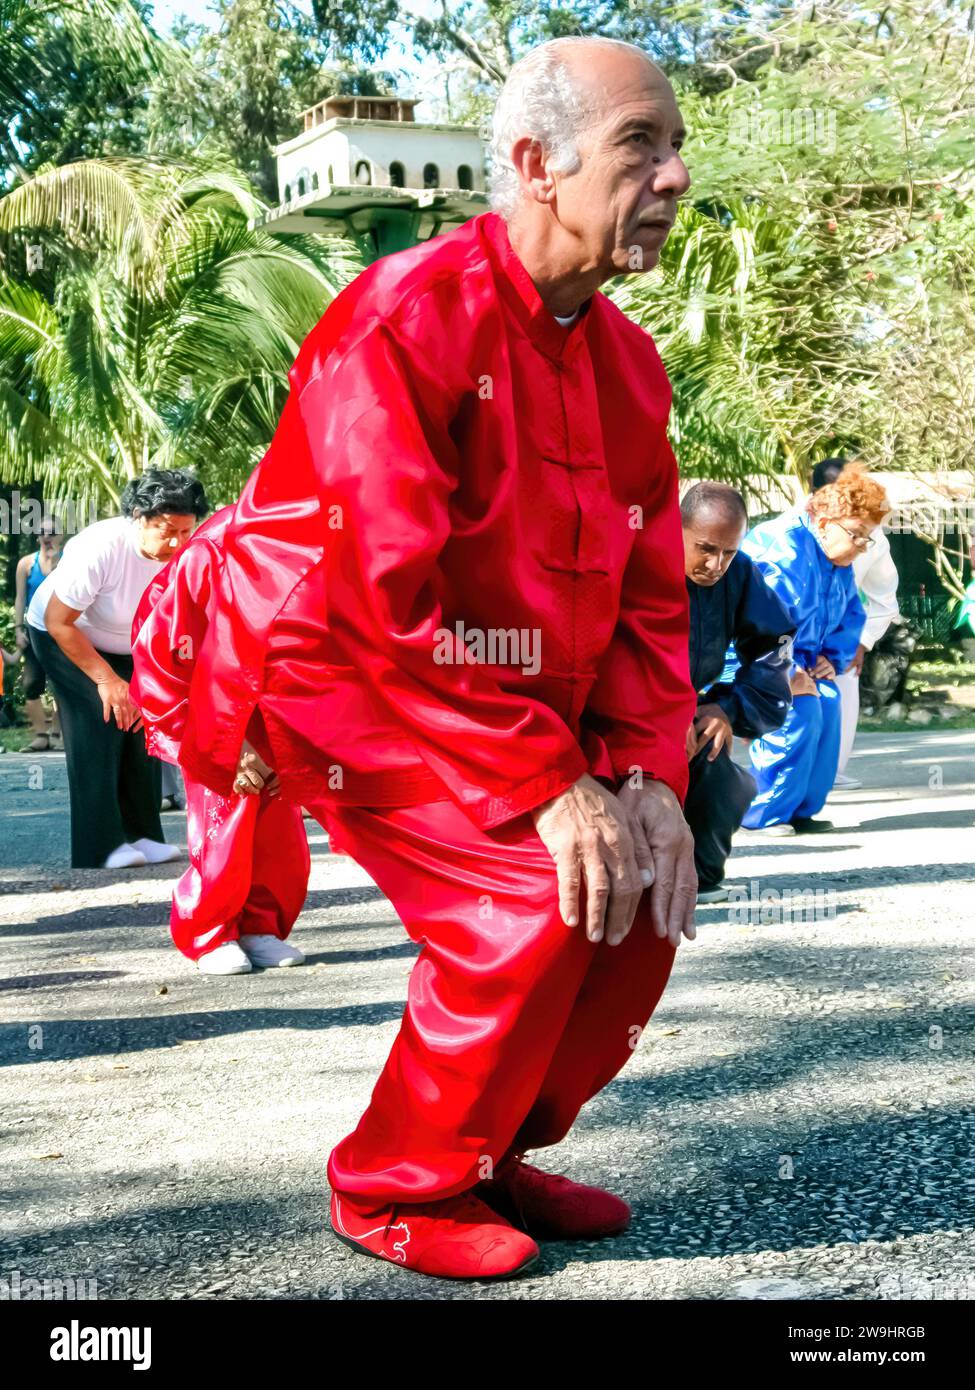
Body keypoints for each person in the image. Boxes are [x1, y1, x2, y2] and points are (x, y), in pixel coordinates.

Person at [161, 36, 698, 1280]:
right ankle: (392, 1183)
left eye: (675, 147)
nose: (674, 175)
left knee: (638, 896)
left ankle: (486, 1150)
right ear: (534, 166)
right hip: (339, 676)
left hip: (486, 692)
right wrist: (546, 785)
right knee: (529, 890)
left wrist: (646, 774)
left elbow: (651, 606)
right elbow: (377, 596)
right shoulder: (405, 318)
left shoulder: (625, 364)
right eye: (641, 146)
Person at [131, 509, 311, 975]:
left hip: (277, 701)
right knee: (224, 820)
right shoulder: (213, 551)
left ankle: (260, 926)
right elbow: (166, 658)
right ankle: (209, 931)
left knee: (278, 825)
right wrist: (220, 740)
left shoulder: (321, 547)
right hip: (209, 702)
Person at [26, 469, 209, 869]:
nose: (176, 542)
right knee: (101, 717)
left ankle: (143, 835)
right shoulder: (100, 547)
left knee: (144, 721)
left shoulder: (189, 553)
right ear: (138, 517)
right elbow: (60, 621)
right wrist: (107, 680)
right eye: (165, 530)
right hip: (64, 634)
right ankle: (101, 847)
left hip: (131, 642)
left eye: (185, 531)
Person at [740, 463, 889, 836]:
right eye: (856, 535)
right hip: (754, 658)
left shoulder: (835, 557)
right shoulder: (783, 550)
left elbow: (849, 613)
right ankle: (765, 812)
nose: (861, 546)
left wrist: (830, 658)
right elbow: (758, 622)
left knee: (827, 702)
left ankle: (801, 809)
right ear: (824, 523)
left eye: (866, 538)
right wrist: (786, 671)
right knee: (798, 708)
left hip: (799, 658)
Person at [681, 483, 796, 902]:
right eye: (705, 548)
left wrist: (727, 708)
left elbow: (774, 645)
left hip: (691, 708)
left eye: (728, 551)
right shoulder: (637, 564)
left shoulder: (741, 573)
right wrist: (654, 719)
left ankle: (700, 877)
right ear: (676, 529)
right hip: (631, 714)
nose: (716, 564)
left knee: (720, 772)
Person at [804, 459, 900, 791]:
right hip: (787, 641)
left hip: (838, 641)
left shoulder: (872, 538)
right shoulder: (788, 532)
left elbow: (885, 597)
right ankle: (783, 788)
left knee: (840, 705)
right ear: (816, 494)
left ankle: (829, 774)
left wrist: (861, 642)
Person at [13, 518, 63, 751]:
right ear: (37, 537)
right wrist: (18, 629)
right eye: (42, 533)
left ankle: (57, 733)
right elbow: (20, 598)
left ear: (61, 535)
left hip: (62, 629)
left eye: (52, 532)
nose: (47, 537)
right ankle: (41, 735)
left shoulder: (68, 561)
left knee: (61, 684)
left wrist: (54, 563)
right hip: (34, 630)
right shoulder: (26, 563)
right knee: (31, 683)